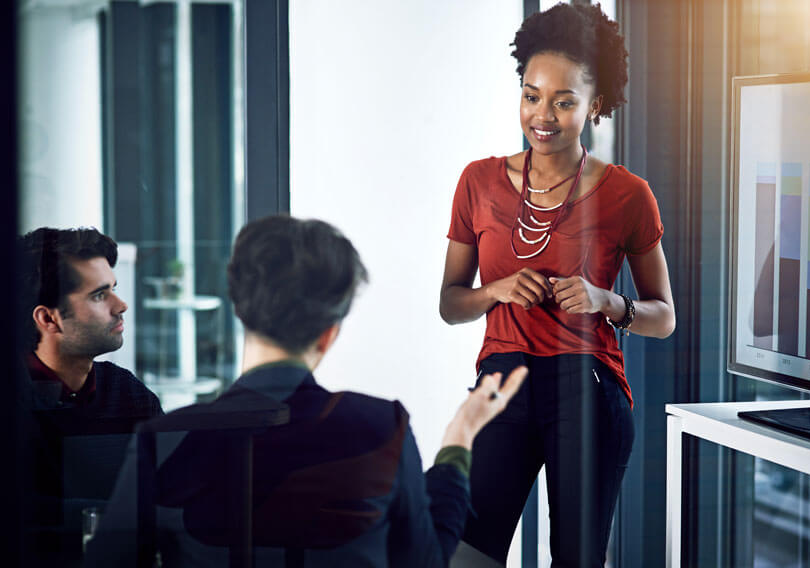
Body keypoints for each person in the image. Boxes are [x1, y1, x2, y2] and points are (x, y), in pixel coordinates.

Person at [86, 214, 527, 567]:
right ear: (329, 334)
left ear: (239, 309)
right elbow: (425, 559)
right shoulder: (379, 427)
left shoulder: (165, 439)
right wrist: (458, 444)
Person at [439, 3, 675, 566]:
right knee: (466, 556)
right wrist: (494, 291)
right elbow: (450, 304)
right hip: (501, 385)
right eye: (531, 95)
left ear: (595, 106)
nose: (542, 115)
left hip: (588, 387)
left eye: (564, 102)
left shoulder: (628, 194)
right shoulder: (477, 181)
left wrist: (607, 301)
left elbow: (664, 316)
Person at [16, 227, 163, 565]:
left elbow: (172, 490)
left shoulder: (130, 395)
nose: (121, 305)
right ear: (48, 318)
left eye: (114, 289)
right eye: (99, 295)